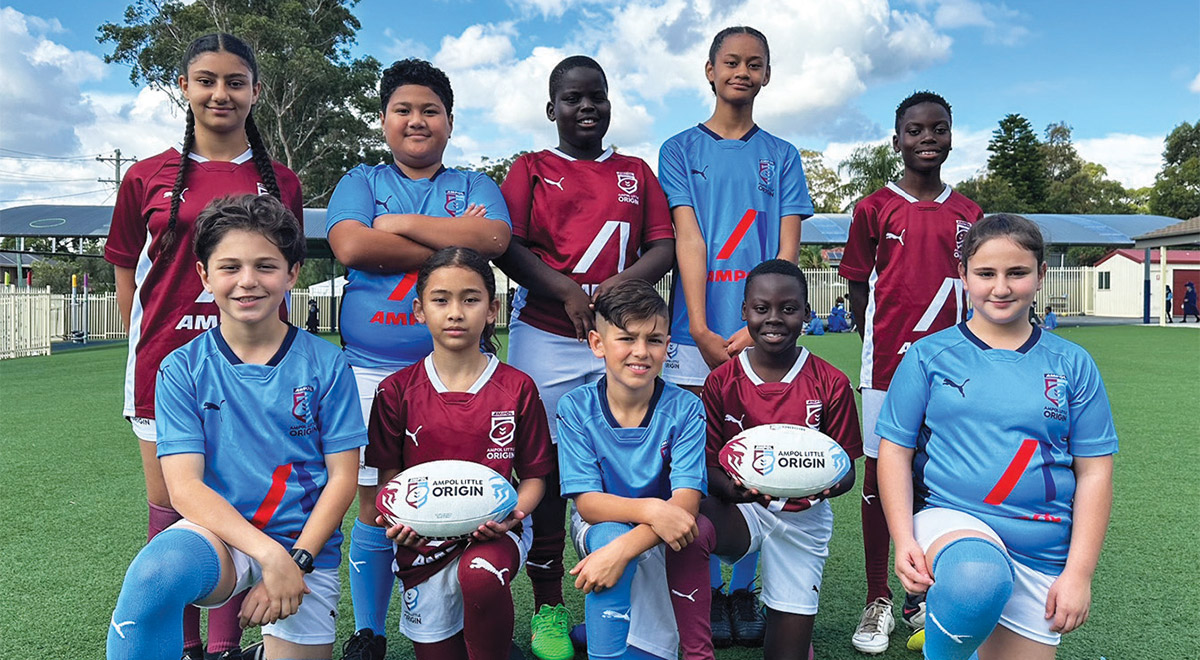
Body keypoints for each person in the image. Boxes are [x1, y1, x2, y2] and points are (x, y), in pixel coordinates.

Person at [102, 33, 305, 660]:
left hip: (251, 366)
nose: (221, 93)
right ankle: (183, 644)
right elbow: (125, 273)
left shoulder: (284, 182)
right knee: (169, 503)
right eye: (207, 80)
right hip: (166, 363)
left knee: (239, 496)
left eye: (235, 81)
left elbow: (282, 272)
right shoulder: (145, 176)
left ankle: (225, 648)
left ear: (255, 92)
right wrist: (140, 345)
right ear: (184, 89)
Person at [106, 194, 364, 660]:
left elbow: (344, 478)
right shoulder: (181, 367)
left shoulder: (326, 364)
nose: (248, 281)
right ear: (205, 276)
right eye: (230, 267)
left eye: (266, 266)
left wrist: (294, 560)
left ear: (292, 273)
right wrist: (267, 556)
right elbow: (183, 489)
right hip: (223, 538)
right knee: (154, 576)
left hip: (304, 546)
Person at [325, 59, 512, 660]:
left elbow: (493, 243)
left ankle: (456, 615)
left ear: (450, 123)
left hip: (461, 373)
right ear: (383, 120)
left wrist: (398, 225)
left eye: (430, 110)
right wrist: (450, 238)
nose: (416, 120)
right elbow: (352, 244)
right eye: (403, 109)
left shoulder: (476, 185)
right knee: (376, 502)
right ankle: (371, 630)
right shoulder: (360, 179)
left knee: (465, 496)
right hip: (368, 372)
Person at [495, 55, 675, 660]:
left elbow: (664, 246)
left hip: (626, 339)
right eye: (573, 99)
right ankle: (548, 605)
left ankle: (638, 584)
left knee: (645, 457)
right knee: (542, 471)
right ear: (552, 110)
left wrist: (614, 299)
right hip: (548, 335)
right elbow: (506, 246)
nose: (587, 107)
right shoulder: (530, 169)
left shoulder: (635, 171)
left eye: (597, 96)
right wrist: (570, 293)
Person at [877, 213, 1117, 660]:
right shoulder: (930, 356)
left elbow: (1095, 472)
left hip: (1041, 550)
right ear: (963, 274)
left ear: (1041, 276)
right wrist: (904, 538)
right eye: (986, 273)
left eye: (1017, 273)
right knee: (976, 579)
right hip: (953, 523)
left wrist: (1079, 573)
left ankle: (952, 630)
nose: (1001, 287)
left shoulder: (1073, 363)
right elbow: (894, 451)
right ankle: (952, 625)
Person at [658, 26, 814, 646]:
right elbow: (688, 238)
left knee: (760, 459)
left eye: (755, 63)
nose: (742, 72)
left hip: (764, 339)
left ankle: (743, 590)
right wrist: (698, 326)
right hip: (696, 337)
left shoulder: (783, 154)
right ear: (709, 70)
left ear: (767, 75)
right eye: (731, 62)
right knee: (693, 462)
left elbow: (785, 254)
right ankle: (695, 585)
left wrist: (757, 334)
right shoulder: (678, 149)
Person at [837, 90, 983, 654]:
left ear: (951, 135)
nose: (928, 139)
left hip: (955, 369)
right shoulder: (874, 207)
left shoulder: (970, 213)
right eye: (916, 130)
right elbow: (856, 287)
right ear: (897, 139)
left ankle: (926, 597)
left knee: (937, 477)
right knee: (879, 480)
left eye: (938, 129)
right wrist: (876, 344)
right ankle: (878, 598)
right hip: (887, 369)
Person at [366, 247, 553, 660]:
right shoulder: (395, 391)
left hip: (498, 533)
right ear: (419, 310)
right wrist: (400, 519)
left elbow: (535, 477)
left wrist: (512, 517)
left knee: (480, 573)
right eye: (441, 299)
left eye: (470, 299)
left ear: (492, 309)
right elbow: (390, 477)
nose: (455, 312)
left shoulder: (517, 388)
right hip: (422, 542)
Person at [700, 259, 862, 660]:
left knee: (785, 654)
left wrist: (824, 482)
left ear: (807, 314)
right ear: (744, 312)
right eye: (761, 308)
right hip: (741, 510)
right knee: (687, 520)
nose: (774, 319)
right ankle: (678, 622)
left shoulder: (830, 382)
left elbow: (847, 472)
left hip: (803, 520)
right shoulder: (721, 381)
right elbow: (707, 465)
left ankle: (791, 632)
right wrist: (736, 490)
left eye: (788, 309)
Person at [556, 279, 715, 660]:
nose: (641, 352)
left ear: (667, 346)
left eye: (654, 339)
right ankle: (604, 649)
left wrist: (627, 546)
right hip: (604, 524)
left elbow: (686, 503)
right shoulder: (575, 407)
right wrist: (651, 511)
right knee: (610, 537)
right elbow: (590, 504)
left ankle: (694, 650)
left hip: (666, 528)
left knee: (697, 531)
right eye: (626, 338)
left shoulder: (686, 408)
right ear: (597, 344)